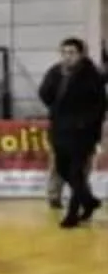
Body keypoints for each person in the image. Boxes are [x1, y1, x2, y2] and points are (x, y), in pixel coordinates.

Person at [38, 38, 104, 228]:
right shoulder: (55, 72)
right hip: (60, 129)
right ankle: (88, 200)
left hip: (82, 133)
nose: (67, 56)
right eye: (64, 52)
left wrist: (87, 125)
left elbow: (100, 105)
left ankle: (72, 214)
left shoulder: (91, 75)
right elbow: (44, 94)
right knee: (61, 168)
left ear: (81, 54)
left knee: (76, 173)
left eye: (72, 53)